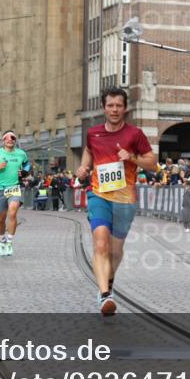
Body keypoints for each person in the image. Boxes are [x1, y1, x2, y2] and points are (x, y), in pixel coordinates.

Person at [75, 87, 156, 316]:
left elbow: (152, 164)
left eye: (118, 105)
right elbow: (88, 151)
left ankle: (108, 283)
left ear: (125, 108)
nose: (114, 110)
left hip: (124, 199)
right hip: (99, 194)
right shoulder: (93, 133)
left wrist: (131, 157)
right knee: (100, 242)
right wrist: (83, 167)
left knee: (116, 250)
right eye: (110, 105)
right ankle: (104, 295)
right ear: (104, 108)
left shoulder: (135, 134)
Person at [0, 130, 31, 257]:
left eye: (13, 137)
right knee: (1, 218)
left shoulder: (21, 154)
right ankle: (2, 240)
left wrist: (25, 172)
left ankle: (9, 242)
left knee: (13, 212)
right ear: (4, 140)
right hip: (0, 189)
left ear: (15, 140)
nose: (10, 139)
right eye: (7, 137)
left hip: (15, 187)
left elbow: (27, 165)